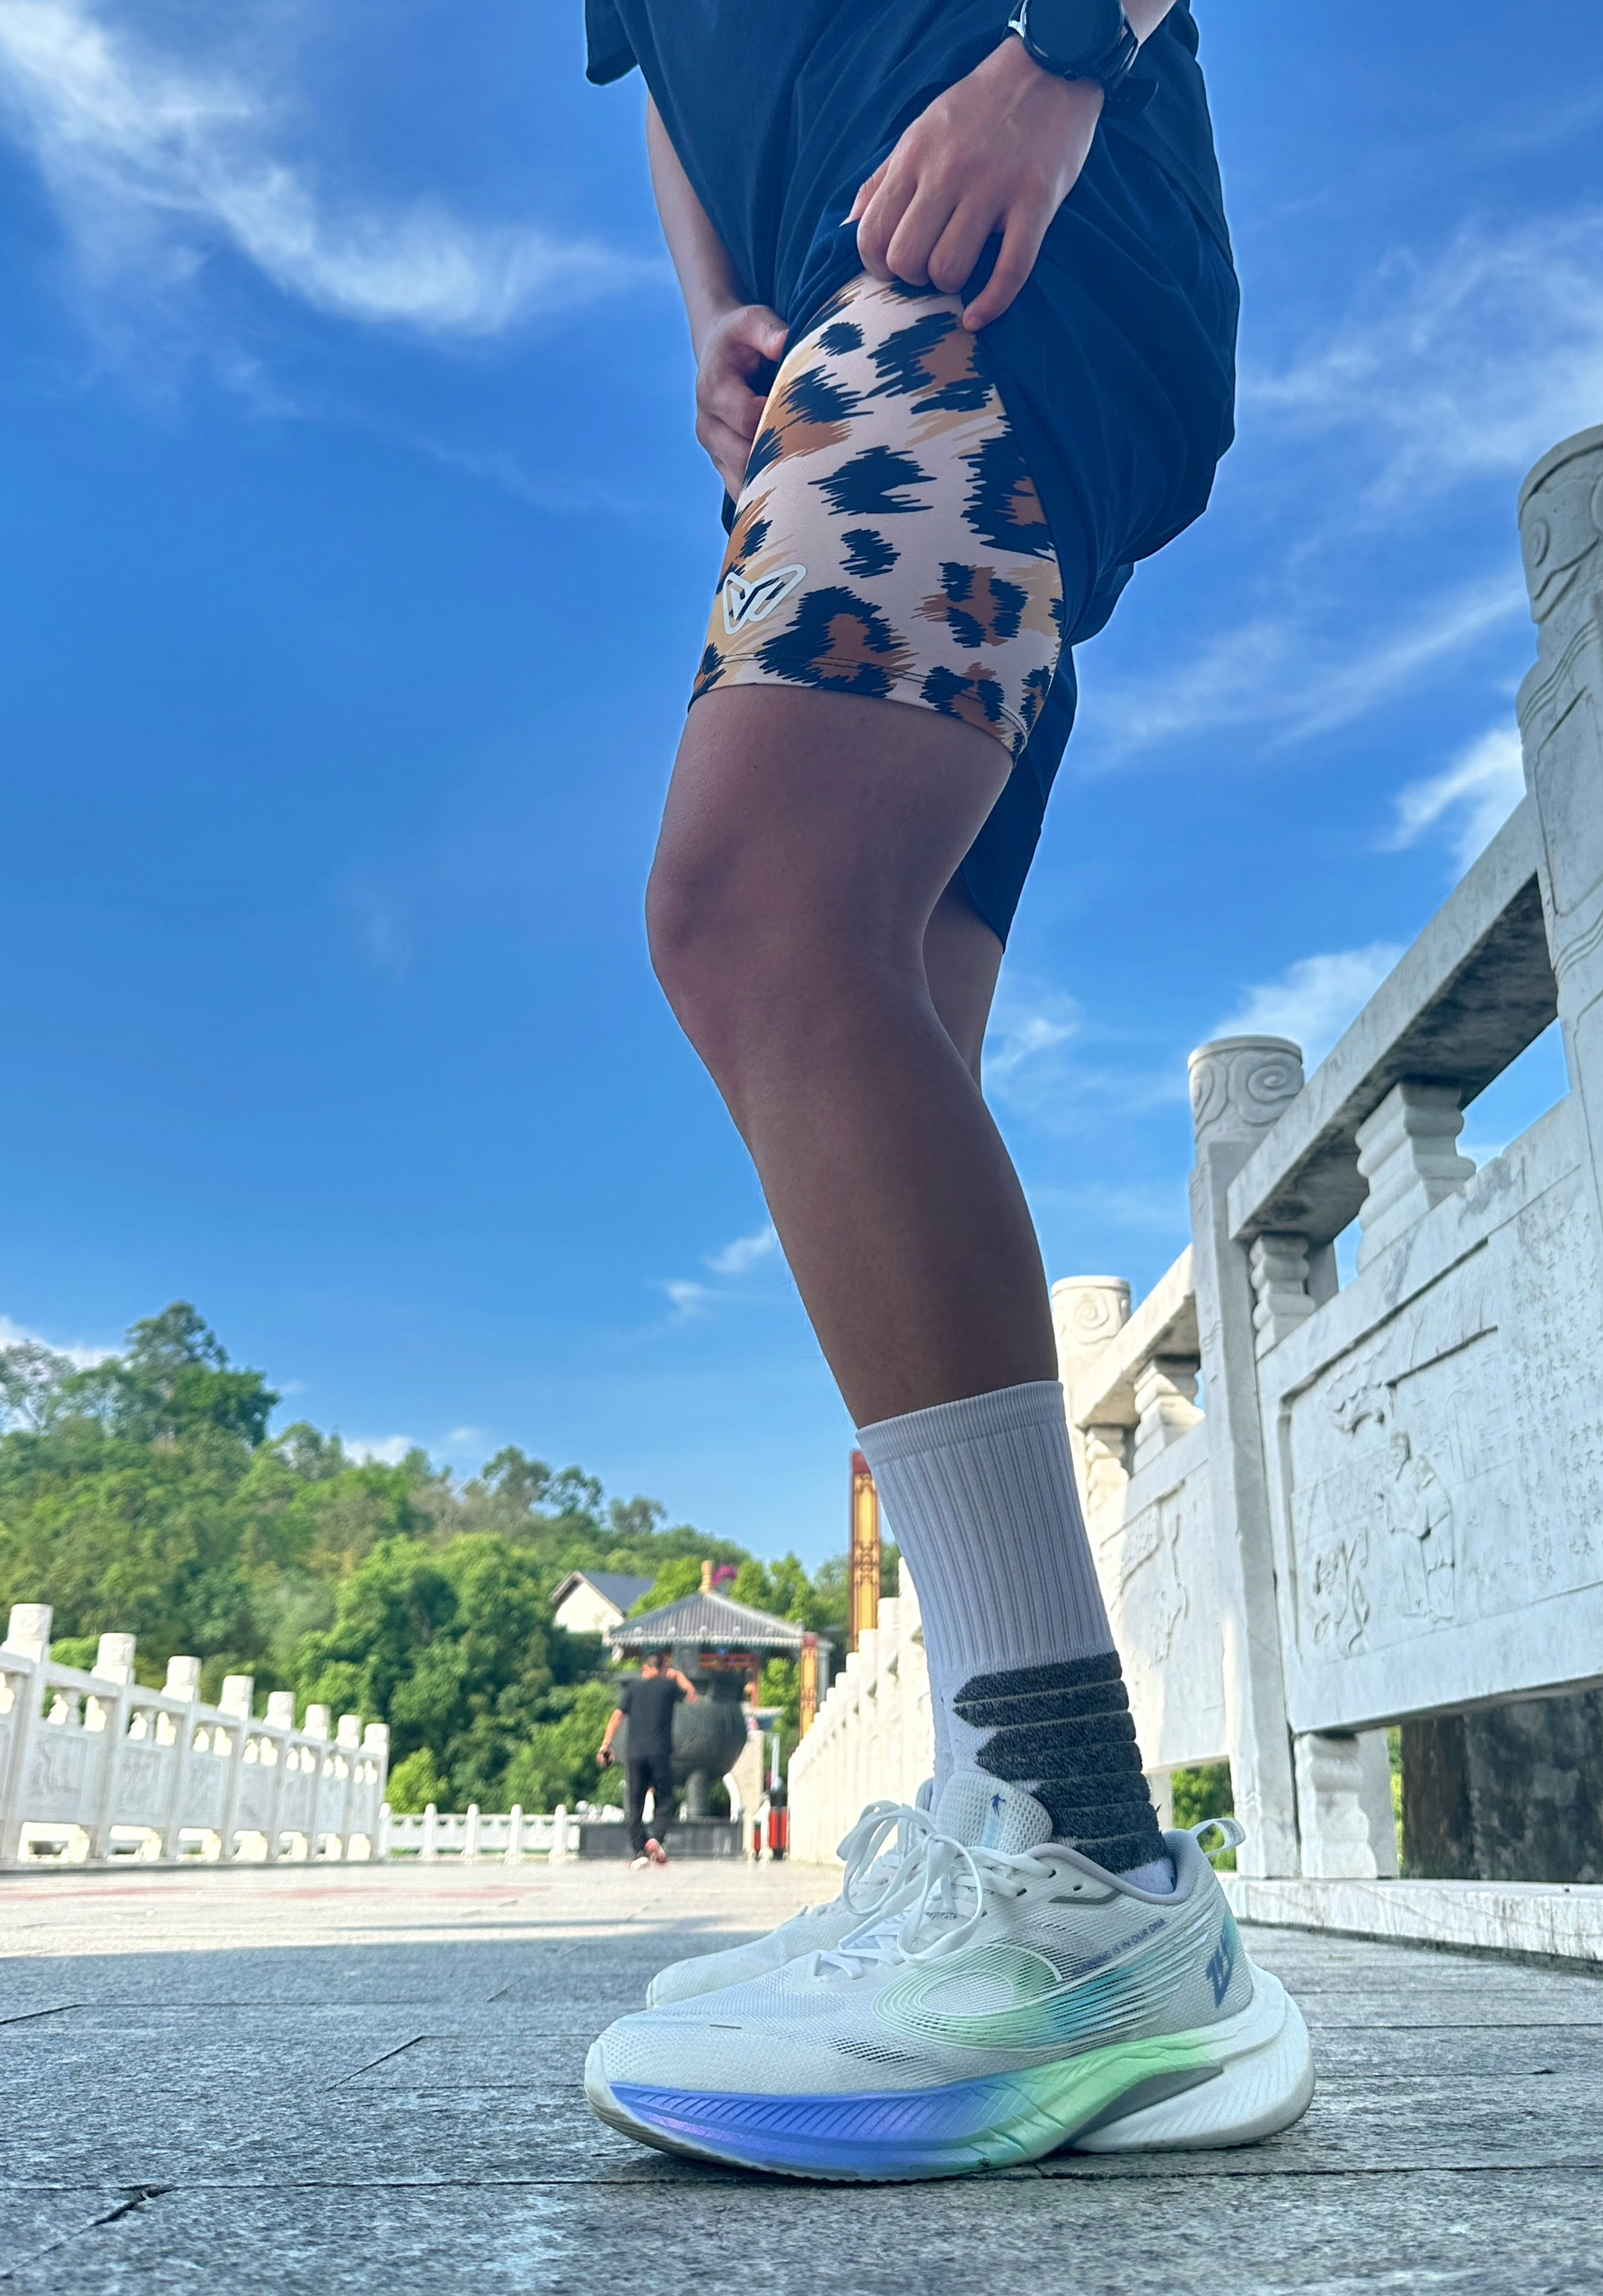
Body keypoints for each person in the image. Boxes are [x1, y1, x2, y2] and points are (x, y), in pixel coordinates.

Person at [578, 0, 1315, 2177]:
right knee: (868, 993)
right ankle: (1019, 1810)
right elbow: (656, 73)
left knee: (757, 915)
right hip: (833, 295)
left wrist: (1056, 62)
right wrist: (708, 309)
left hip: (983, 217)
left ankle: (1086, 1863)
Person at [598, 1649, 696, 1868]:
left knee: (635, 1803)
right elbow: (691, 1696)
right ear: (663, 1669)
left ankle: (639, 1851)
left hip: (635, 1755)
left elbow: (616, 1716)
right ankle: (656, 1839)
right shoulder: (668, 1686)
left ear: (645, 1668)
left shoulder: (632, 1689)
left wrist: (606, 1744)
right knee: (666, 1799)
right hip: (660, 1752)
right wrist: (678, 1676)